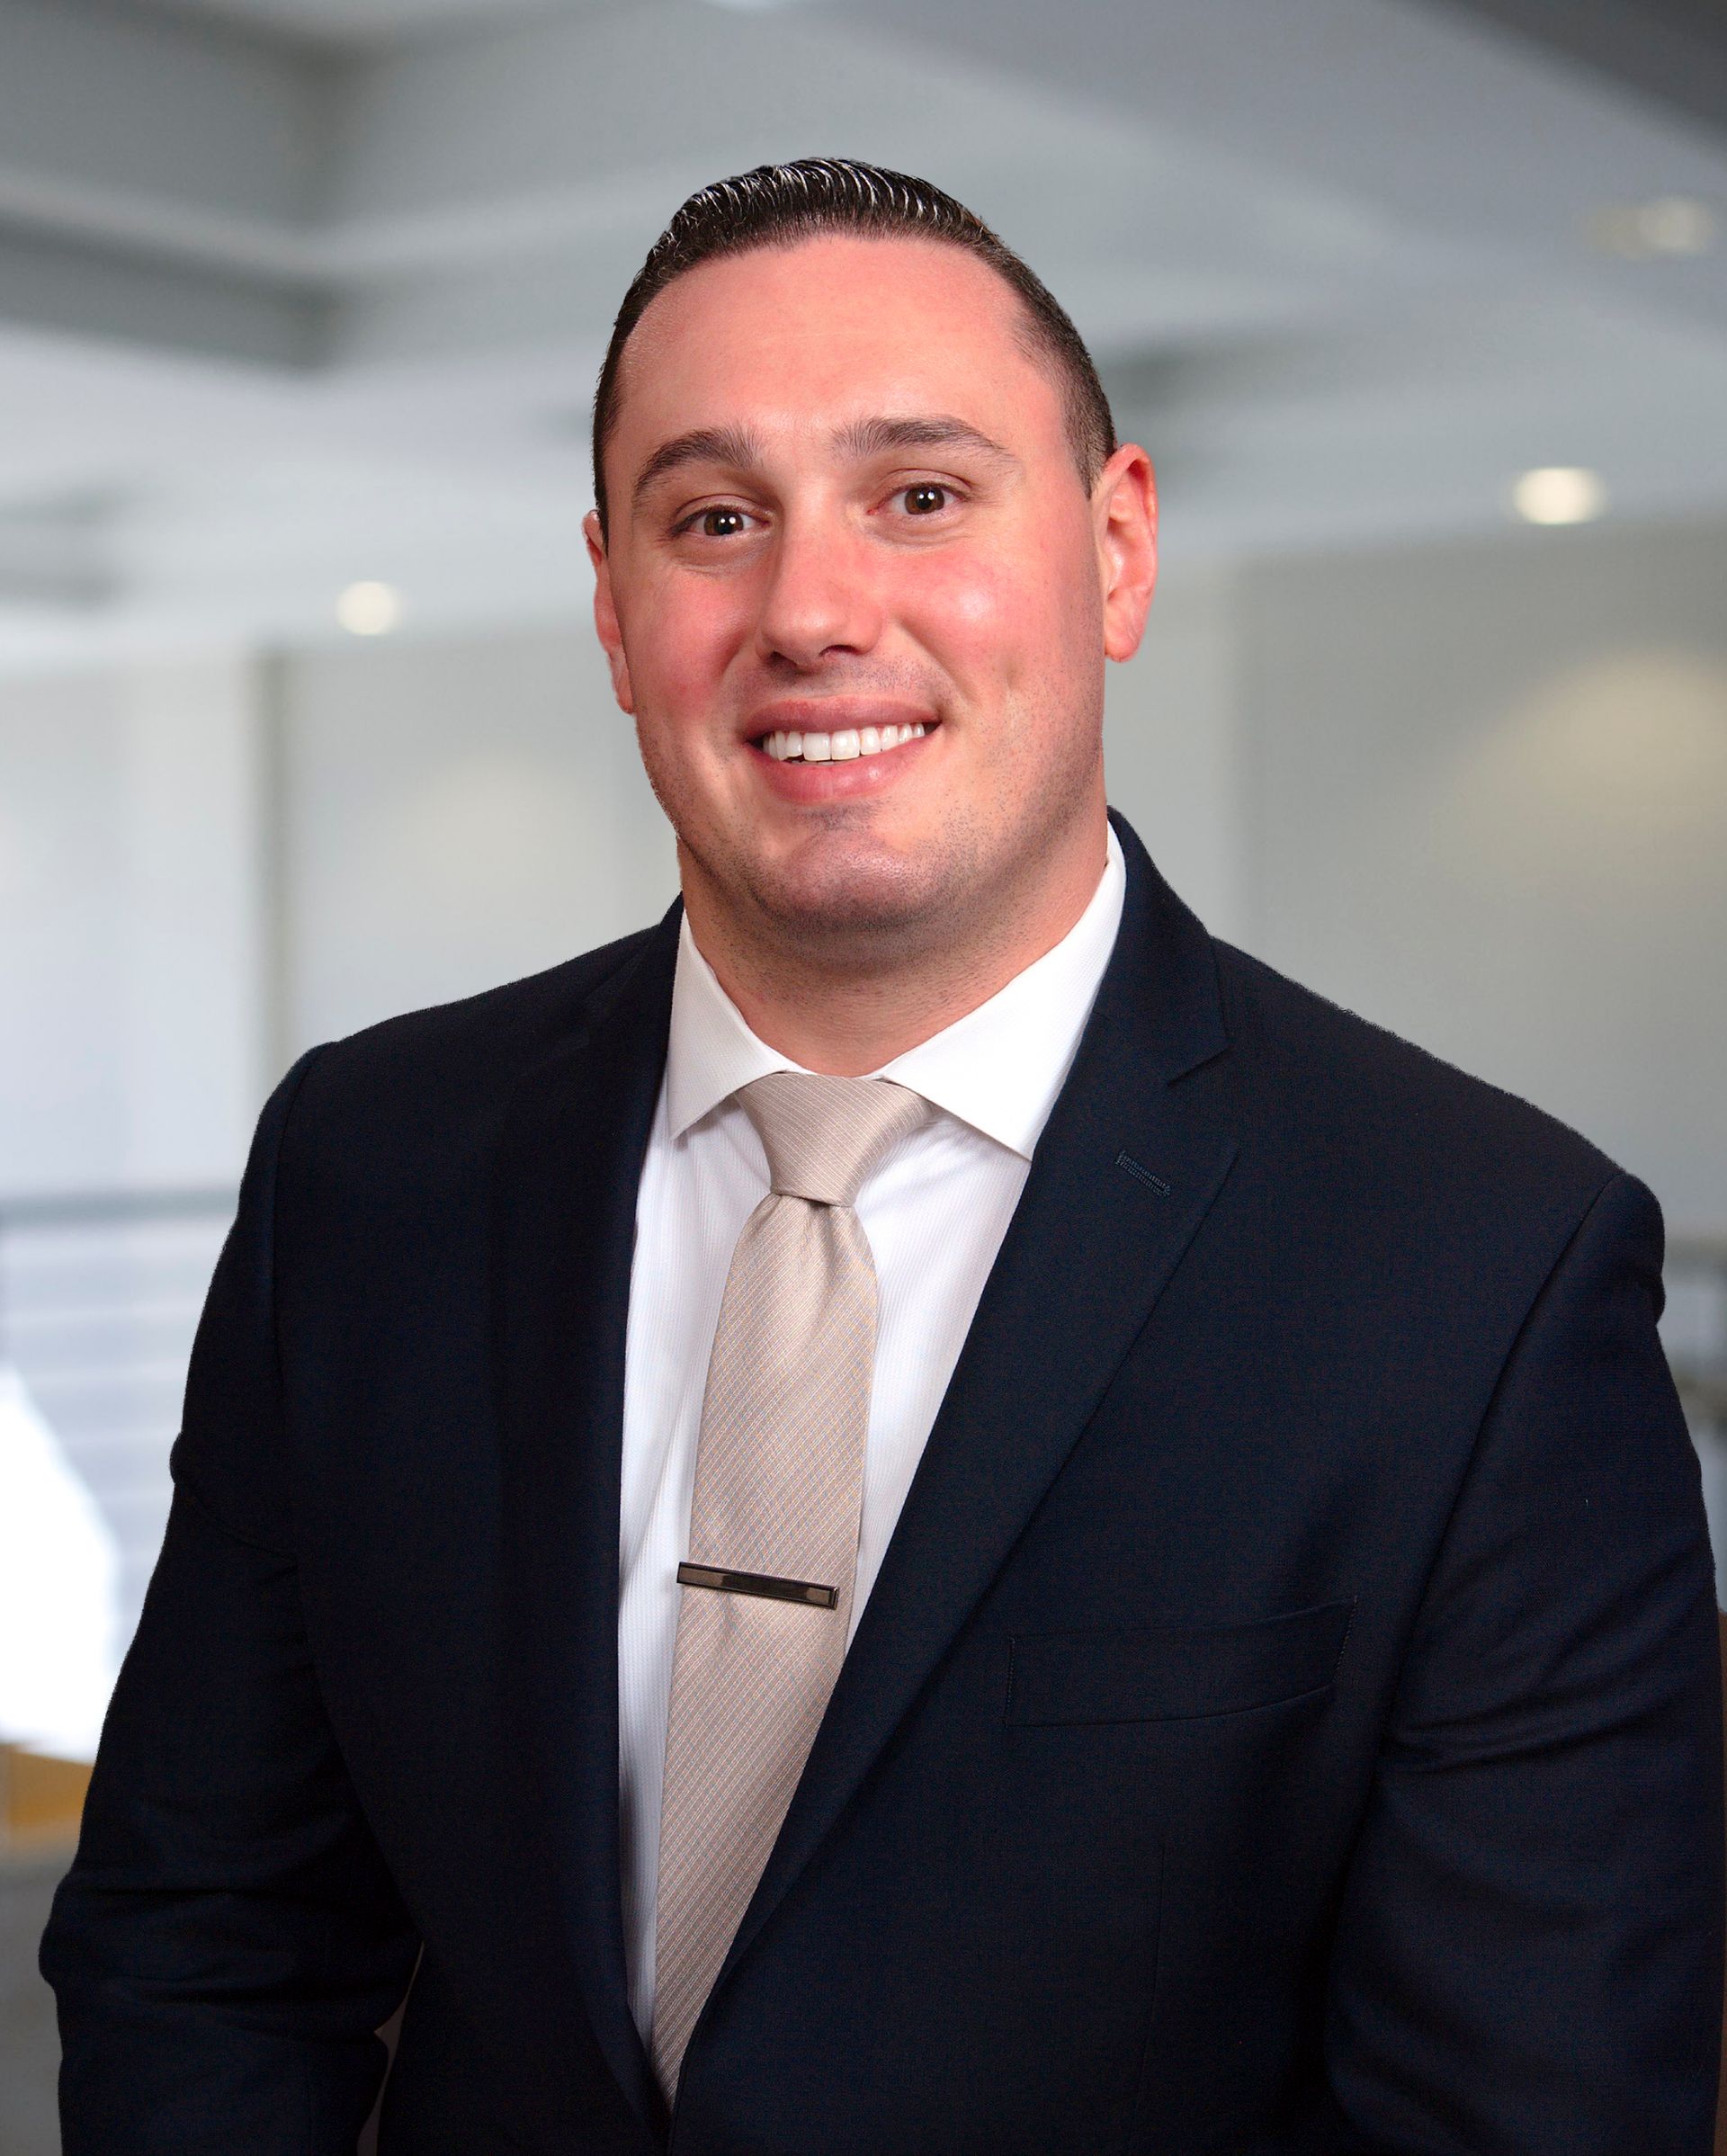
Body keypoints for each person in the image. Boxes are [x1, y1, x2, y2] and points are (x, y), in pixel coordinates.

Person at [41, 157, 1723, 2154]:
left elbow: (1527, 2111)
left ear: (1115, 549)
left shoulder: (1481, 1272)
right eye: (714, 517)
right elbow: (204, 1936)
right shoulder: (367, 1169)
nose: (813, 609)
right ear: (610, 600)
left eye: (920, 494)